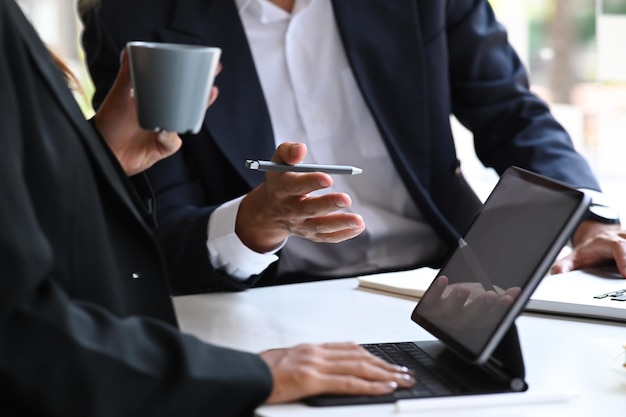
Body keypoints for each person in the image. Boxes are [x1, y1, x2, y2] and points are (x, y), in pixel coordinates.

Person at [0, 1, 416, 415]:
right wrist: (253, 374)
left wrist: (103, 159)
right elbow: (20, 331)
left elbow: (28, 212)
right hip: (147, 361)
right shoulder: (126, 20)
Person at [80, 0, 625, 295]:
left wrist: (586, 219)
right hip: (268, 297)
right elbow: (158, 223)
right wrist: (253, 222)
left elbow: (511, 114)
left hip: (449, 284)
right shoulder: (136, 19)